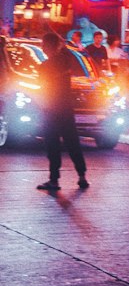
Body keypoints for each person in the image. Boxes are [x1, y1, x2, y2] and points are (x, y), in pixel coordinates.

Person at [36, 31, 88, 193]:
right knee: (72, 142)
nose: (42, 47)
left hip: (51, 109)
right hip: (66, 108)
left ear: (48, 46)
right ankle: (82, 176)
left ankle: (54, 179)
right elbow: (66, 49)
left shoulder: (44, 67)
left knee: (53, 144)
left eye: (44, 44)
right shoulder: (65, 62)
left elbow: (42, 87)